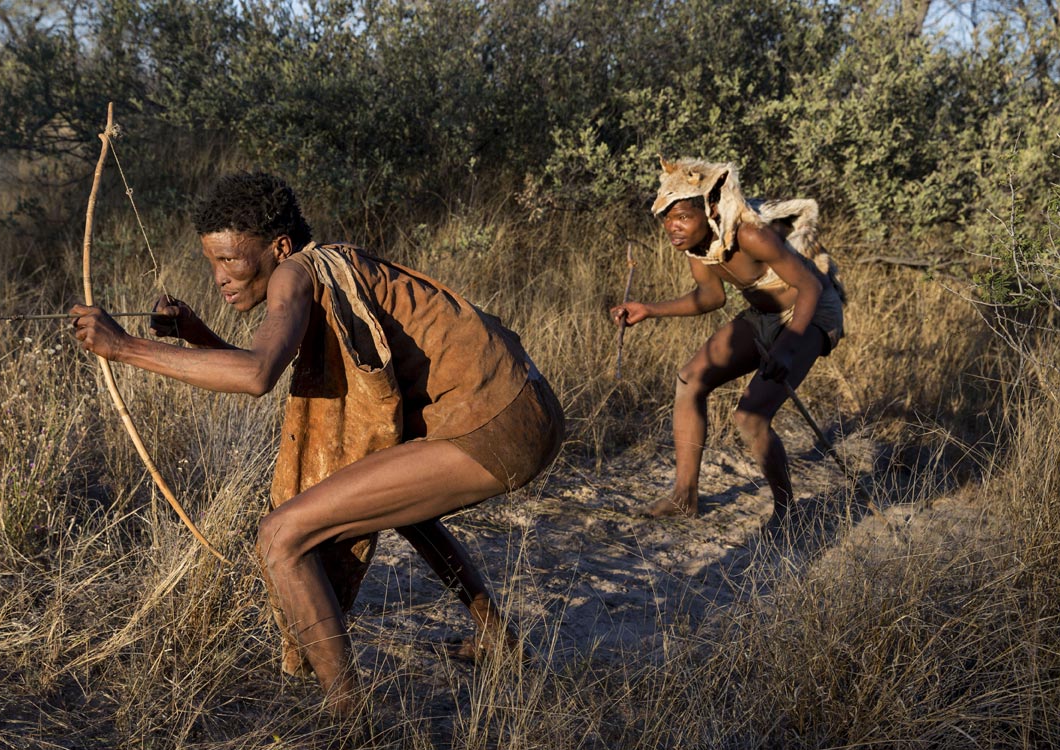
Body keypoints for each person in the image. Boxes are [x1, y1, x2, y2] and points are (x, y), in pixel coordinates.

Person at [70, 171, 563, 715]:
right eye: (212, 263)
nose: (220, 278)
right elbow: (268, 361)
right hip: (528, 409)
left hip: (495, 426)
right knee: (397, 500)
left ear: (278, 247)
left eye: (231, 260)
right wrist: (195, 336)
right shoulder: (327, 263)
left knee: (282, 537)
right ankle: (495, 635)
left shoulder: (294, 276)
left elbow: (257, 374)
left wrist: (122, 348)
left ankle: (348, 713)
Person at [611, 157, 844, 531]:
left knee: (750, 416)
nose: (673, 227)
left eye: (683, 217)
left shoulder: (750, 235)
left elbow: (811, 287)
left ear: (709, 209)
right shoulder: (699, 246)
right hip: (764, 315)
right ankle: (684, 496)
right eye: (668, 219)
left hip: (811, 313)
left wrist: (788, 347)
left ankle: (787, 513)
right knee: (690, 380)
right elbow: (710, 297)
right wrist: (649, 310)